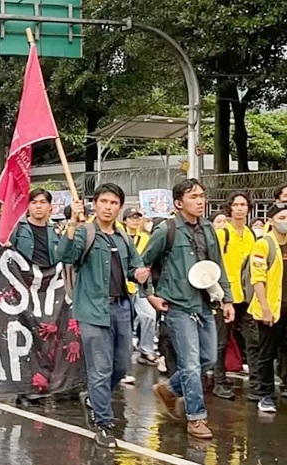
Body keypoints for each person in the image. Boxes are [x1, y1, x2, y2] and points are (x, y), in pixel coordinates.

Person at [56, 183, 148, 448]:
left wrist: (141, 275)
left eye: (114, 203)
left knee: (120, 366)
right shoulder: (85, 232)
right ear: (94, 204)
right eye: (104, 202)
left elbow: (135, 268)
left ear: (119, 206)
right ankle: (103, 423)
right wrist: (72, 224)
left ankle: (95, 398)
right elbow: (63, 255)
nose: (108, 207)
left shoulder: (123, 237)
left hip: (121, 309)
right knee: (100, 368)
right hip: (92, 309)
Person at [142, 179, 234, 440]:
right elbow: (142, 264)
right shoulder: (166, 230)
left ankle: (170, 388)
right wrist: (150, 295)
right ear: (179, 203)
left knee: (209, 360)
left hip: (205, 304)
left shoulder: (208, 229)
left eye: (202, 196)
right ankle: (196, 418)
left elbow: (217, 266)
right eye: (194, 197)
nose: (200, 201)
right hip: (178, 306)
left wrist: (226, 299)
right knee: (192, 365)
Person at [214, 192, 259, 401]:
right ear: (229, 208)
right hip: (225, 296)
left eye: (243, 204)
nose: (240, 208)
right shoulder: (224, 234)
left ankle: (258, 383)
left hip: (247, 297)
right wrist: (221, 296)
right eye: (236, 205)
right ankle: (218, 380)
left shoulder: (250, 234)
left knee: (253, 339)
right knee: (221, 340)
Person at [247, 202, 287, 414]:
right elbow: (258, 278)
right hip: (270, 307)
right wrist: (264, 308)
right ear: (270, 221)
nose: (285, 222)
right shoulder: (264, 244)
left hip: (286, 306)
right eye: (281, 218)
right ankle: (265, 395)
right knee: (266, 353)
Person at [122, 208, 158, 371]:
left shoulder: (146, 238)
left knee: (149, 315)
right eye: (131, 218)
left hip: (140, 284)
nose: (135, 221)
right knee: (125, 321)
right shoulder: (120, 236)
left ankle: (147, 349)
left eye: (137, 218)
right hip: (123, 284)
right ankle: (124, 355)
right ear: (125, 220)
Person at [7, 189, 59, 268]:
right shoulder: (17, 228)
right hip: (23, 276)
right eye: (34, 202)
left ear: (50, 207)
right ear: (28, 206)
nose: (38, 206)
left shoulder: (55, 231)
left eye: (43, 202)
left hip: (49, 276)